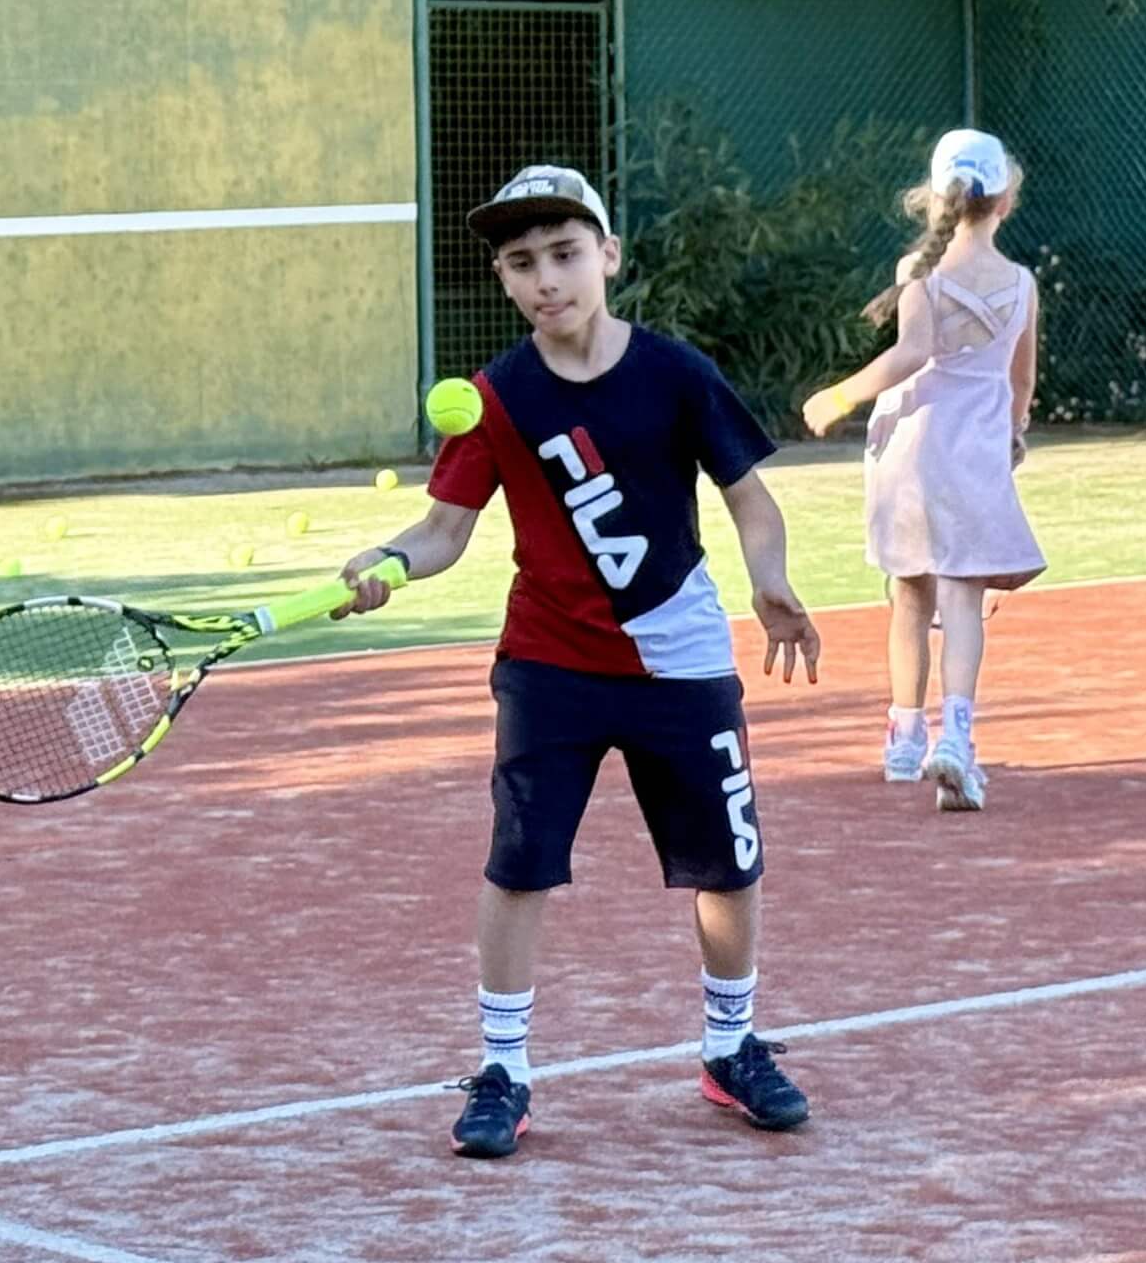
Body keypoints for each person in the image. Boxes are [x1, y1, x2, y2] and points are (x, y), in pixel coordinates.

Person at [338, 165, 825, 1159]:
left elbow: (749, 498)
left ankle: (729, 1047)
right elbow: (443, 531)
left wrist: (769, 577)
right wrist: (387, 560)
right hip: (549, 666)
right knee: (520, 862)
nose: (545, 278)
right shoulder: (496, 398)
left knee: (727, 861)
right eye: (522, 263)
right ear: (504, 279)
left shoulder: (675, 372)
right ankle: (502, 1070)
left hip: (681, 659)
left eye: (564, 254)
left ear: (608, 255)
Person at [800, 129, 1043, 812]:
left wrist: (840, 396)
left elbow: (911, 353)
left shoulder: (920, 270)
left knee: (909, 591)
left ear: (934, 199)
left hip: (910, 446)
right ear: (1006, 201)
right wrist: (1013, 433)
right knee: (961, 595)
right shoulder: (1022, 285)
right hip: (972, 450)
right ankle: (955, 736)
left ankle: (905, 738)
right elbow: (1020, 380)